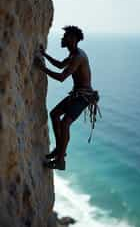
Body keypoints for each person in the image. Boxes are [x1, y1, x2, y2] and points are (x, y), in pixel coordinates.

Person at [34, 25, 101, 170]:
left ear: (74, 39)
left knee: (65, 124)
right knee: (54, 114)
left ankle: (60, 160)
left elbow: (61, 77)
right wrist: (44, 55)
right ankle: (59, 151)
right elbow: (59, 65)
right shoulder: (73, 54)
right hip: (78, 94)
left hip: (83, 97)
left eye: (66, 36)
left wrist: (42, 68)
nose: (63, 38)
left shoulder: (78, 57)